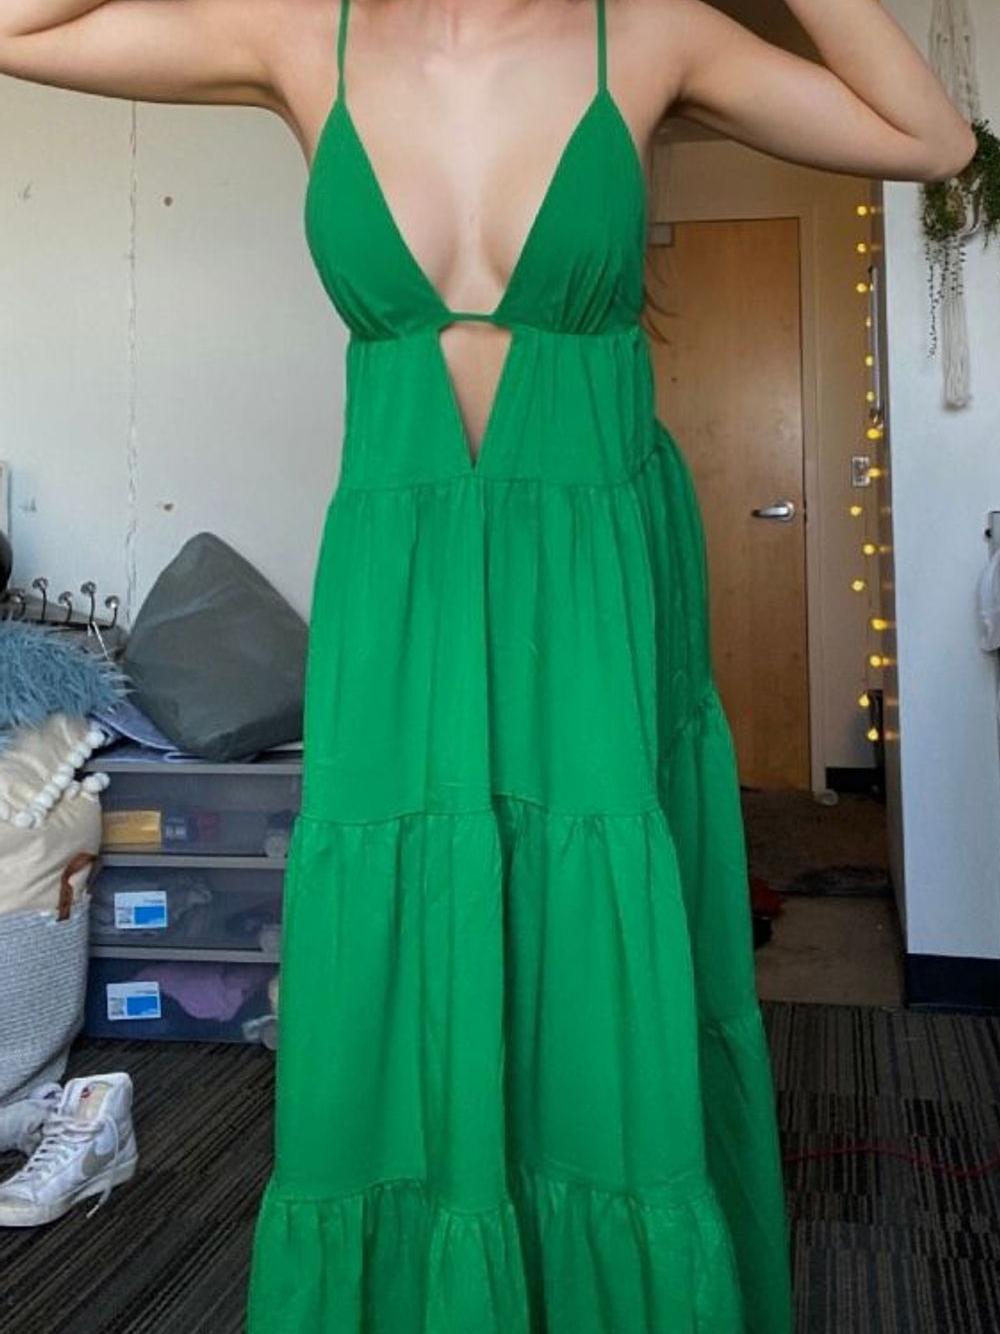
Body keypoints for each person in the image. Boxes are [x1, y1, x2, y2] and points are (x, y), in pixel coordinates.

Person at [0, 1, 975, 1329]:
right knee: (407, 924)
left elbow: (929, 138)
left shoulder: (651, 31)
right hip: (402, 583)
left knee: (594, 935)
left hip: (591, 570)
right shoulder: (299, 33)